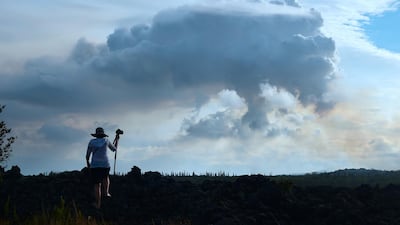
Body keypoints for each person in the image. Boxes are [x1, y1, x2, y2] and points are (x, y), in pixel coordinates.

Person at [86, 127, 117, 209]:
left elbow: (87, 156)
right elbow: (114, 149)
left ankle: (98, 204)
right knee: (106, 177)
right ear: (103, 134)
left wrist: (88, 164)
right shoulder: (106, 140)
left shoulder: (92, 142)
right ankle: (106, 192)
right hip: (105, 164)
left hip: (95, 165)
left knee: (97, 185)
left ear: (96, 135)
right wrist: (117, 139)